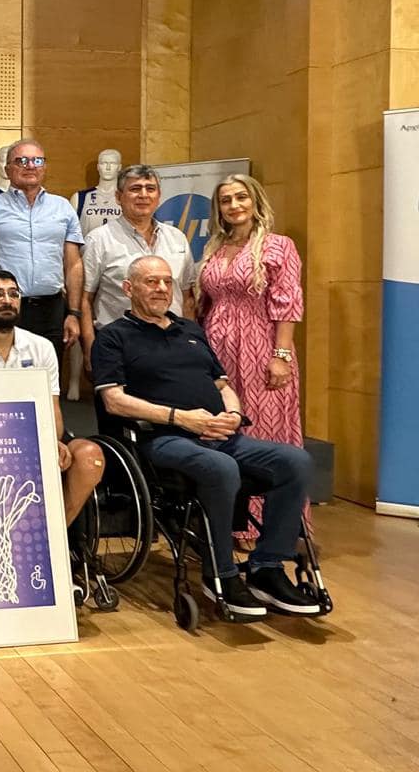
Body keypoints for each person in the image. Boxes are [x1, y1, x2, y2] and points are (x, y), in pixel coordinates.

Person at [91, 255, 322, 618]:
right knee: (221, 467)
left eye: (167, 281)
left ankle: (267, 567)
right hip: (164, 438)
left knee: (296, 461)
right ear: (128, 288)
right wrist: (181, 418)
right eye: (151, 282)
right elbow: (114, 400)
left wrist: (233, 413)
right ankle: (221, 574)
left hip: (220, 434)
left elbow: (222, 384)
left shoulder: (190, 331)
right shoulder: (113, 337)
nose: (161, 289)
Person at [196, 174, 311, 545]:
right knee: (229, 429)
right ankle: (232, 522)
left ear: (255, 200)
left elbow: (288, 303)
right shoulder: (214, 247)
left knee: (264, 431)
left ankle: (271, 526)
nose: (234, 205)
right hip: (218, 349)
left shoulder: (279, 246)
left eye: (241, 197)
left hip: (262, 348)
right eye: (226, 200)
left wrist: (281, 355)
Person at [0, 270, 104, 526]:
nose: (7, 300)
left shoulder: (41, 347)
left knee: (89, 457)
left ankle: (56, 532)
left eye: (13, 294)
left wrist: (51, 441)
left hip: (37, 434)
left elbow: (52, 407)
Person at [80, 163, 194, 372]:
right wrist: (89, 350)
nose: (143, 195)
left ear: (158, 196)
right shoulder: (99, 240)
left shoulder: (177, 238)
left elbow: (187, 297)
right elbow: (85, 300)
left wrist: (190, 341)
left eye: (150, 189)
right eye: (135, 189)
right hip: (120, 346)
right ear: (118, 197)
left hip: (172, 342)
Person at [0, 139, 84, 363]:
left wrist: (73, 313)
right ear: (7, 169)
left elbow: (73, 264)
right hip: (6, 307)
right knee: (6, 375)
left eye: (37, 160)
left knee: (49, 377)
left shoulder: (62, 207)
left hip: (52, 310)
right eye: (22, 161)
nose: (30, 166)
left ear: (44, 167)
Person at [67, 148, 125, 400]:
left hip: (116, 268)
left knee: (113, 322)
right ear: (98, 167)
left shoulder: (124, 196)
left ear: (120, 167)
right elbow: (70, 238)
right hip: (85, 266)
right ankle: (74, 381)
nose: (108, 167)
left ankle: (114, 381)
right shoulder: (80, 198)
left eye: (113, 163)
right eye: (103, 163)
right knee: (79, 321)